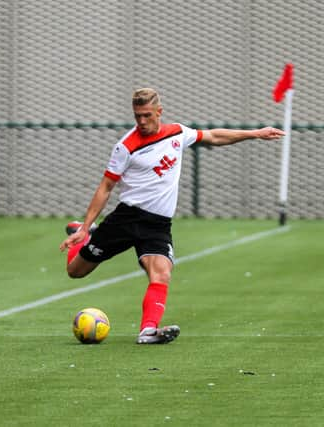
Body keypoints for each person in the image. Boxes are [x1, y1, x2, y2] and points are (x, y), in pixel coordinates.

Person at [59, 88, 284, 344]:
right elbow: (105, 187)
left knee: (162, 272)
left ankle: (148, 330)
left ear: (159, 112)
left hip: (158, 224)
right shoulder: (125, 146)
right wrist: (85, 227)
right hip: (126, 219)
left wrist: (254, 134)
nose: (141, 121)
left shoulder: (177, 132)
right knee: (76, 271)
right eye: (137, 116)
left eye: (146, 115)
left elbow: (213, 136)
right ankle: (85, 234)